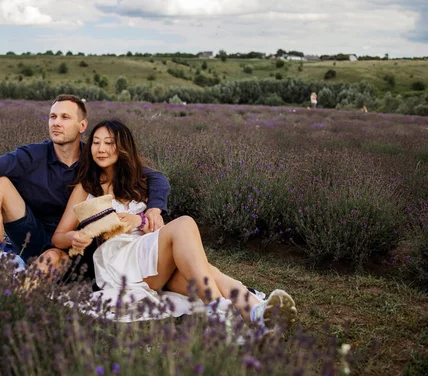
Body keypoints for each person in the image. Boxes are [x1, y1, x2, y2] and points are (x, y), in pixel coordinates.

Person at [52, 120, 297, 331]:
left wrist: (141, 219)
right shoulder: (86, 187)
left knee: (209, 273)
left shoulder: (140, 182)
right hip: (120, 261)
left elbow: (154, 217)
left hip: (151, 258)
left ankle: (257, 313)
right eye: (96, 142)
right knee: (185, 224)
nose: (101, 149)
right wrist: (76, 236)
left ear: (122, 147)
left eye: (109, 142)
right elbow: (59, 237)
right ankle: (219, 311)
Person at [0, 95, 170, 281]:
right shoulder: (32, 155)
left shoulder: (96, 157)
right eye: (53, 117)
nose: (56, 122)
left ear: (82, 125)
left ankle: (20, 297)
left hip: (73, 243)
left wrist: (154, 208)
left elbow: (155, 177)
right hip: (32, 234)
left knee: (53, 257)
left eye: (65, 117)